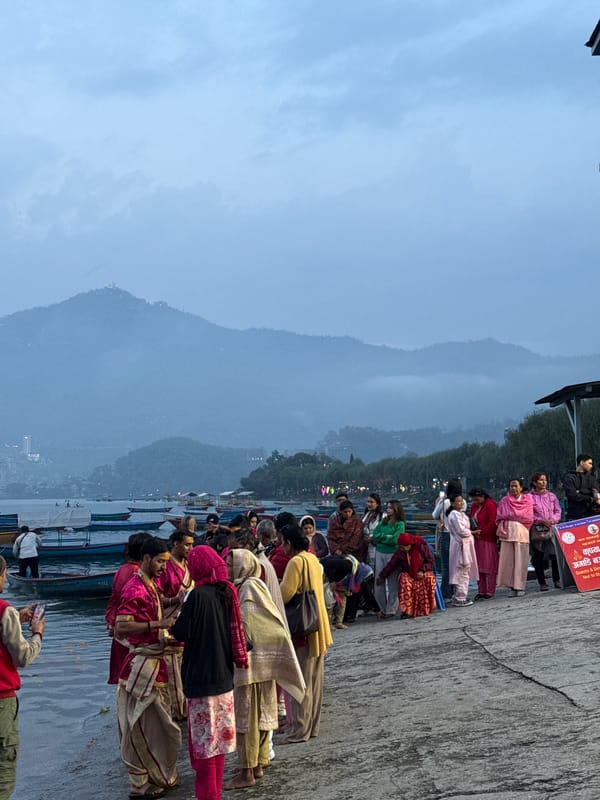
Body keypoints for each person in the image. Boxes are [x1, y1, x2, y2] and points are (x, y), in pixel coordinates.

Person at [171, 546, 249, 800]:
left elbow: (181, 633)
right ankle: (214, 794)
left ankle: (208, 795)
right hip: (223, 679)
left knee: (204, 746)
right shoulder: (226, 592)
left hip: (201, 679)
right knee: (220, 744)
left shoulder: (197, 596)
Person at [223, 549, 305, 790]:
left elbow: (249, 628)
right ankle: (258, 764)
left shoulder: (247, 590)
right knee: (260, 717)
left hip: (251, 667)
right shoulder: (253, 586)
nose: (227, 568)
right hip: (263, 665)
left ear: (242, 566)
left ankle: (246, 771)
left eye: (230, 563)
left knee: (246, 719)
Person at [115, 537, 181, 799]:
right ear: (146, 560)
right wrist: (157, 626)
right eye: (160, 561)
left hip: (154, 661)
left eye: (166, 561)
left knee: (157, 724)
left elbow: (151, 609)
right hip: (141, 665)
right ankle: (140, 785)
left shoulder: (149, 585)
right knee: (140, 725)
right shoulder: (134, 588)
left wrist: (174, 601)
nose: (164, 566)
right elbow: (122, 626)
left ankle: (158, 775)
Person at [278, 523, 332, 743]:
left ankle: (299, 730)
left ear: (289, 543)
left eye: (283, 542)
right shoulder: (312, 558)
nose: (281, 546)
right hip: (319, 626)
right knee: (314, 682)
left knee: (300, 682)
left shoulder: (295, 562)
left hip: (304, 629)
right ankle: (311, 727)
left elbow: (285, 594)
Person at [0, 555, 45, 800]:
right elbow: (23, 657)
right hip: (2, 701)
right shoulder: (3, 610)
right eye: (5, 574)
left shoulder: (7, 613)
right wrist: (37, 635)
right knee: (4, 768)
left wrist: (15, 616)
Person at [156, 529, 196, 720]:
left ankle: (185, 705)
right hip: (170, 621)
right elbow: (156, 599)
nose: (190, 548)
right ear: (176, 544)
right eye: (187, 544)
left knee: (185, 669)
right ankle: (177, 709)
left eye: (191, 544)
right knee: (172, 671)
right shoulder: (165, 567)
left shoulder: (189, 565)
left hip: (187, 623)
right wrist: (174, 600)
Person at [105, 531, 152, 685]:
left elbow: (113, 600)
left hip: (121, 630)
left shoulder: (122, 570)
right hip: (133, 633)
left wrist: (111, 622)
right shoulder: (137, 574)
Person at [376, 533, 437, 618]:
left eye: (403, 547)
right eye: (400, 547)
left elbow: (430, 561)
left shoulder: (421, 546)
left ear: (409, 545)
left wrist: (422, 570)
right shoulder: (400, 552)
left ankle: (427, 607)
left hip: (423, 571)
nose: (401, 549)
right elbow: (391, 565)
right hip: (409, 573)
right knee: (404, 579)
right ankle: (407, 611)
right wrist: (382, 576)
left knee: (429, 578)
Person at [496, 479, 534, 597]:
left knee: (521, 562)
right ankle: (512, 587)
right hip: (508, 534)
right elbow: (499, 516)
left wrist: (512, 515)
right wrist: (513, 516)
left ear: (521, 488)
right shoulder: (504, 501)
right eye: (511, 486)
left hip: (522, 533)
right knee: (508, 562)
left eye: (515, 486)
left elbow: (528, 517)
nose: (513, 488)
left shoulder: (527, 500)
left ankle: (520, 586)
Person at [372, 500, 406, 619]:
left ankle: (391, 609)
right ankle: (380, 608)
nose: (388, 510)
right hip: (380, 552)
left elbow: (395, 539)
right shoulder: (383, 521)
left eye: (391, 508)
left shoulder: (400, 524)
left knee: (393, 582)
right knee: (379, 580)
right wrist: (385, 537)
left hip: (393, 554)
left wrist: (383, 538)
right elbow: (375, 534)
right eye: (387, 507)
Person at [529, 472, 562, 591]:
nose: (544, 482)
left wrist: (552, 520)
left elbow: (558, 511)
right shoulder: (529, 497)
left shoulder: (551, 496)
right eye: (541, 480)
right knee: (538, 555)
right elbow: (529, 514)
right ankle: (542, 582)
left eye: (545, 480)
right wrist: (541, 520)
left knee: (554, 555)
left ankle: (557, 579)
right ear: (534, 482)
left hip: (551, 528)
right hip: (537, 529)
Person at [432, 479, 463, 600]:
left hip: (446, 534)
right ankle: (456, 591)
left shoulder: (444, 502)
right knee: (457, 566)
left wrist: (438, 503)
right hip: (458, 536)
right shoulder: (462, 502)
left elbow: (434, 515)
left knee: (446, 567)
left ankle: (445, 594)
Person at [447, 495, 478, 607]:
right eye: (458, 501)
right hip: (461, 546)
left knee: (464, 570)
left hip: (465, 545)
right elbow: (462, 531)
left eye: (461, 501)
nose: (460, 503)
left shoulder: (462, 514)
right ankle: (460, 597)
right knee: (461, 571)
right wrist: (472, 532)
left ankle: (459, 595)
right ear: (452, 503)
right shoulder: (454, 514)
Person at [468, 489, 498, 600]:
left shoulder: (490, 504)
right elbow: (471, 520)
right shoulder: (474, 506)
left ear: (482, 496)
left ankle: (490, 590)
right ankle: (481, 590)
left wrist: (482, 531)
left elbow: (493, 522)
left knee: (489, 565)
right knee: (479, 566)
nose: (475, 501)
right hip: (477, 538)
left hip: (488, 538)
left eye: (477, 499)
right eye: (473, 500)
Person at [563, 454, 600, 521]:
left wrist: (580, 491)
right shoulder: (569, 477)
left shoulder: (592, 478)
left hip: (591, 515)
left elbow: (596, 494)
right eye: (589, 463)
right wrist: (589, 496)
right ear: (582, 463)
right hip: (575, 516)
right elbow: (573, 495)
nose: (591, 466)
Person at [362, 492, 383, 569]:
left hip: (376, 546)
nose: (369, 504)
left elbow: (383, 531)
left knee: (375, 567)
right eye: (368, 502)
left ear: (377, 504)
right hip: (365, 546)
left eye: (372, 502)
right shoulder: (366, 515)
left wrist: (372, 538)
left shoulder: (382, 516)